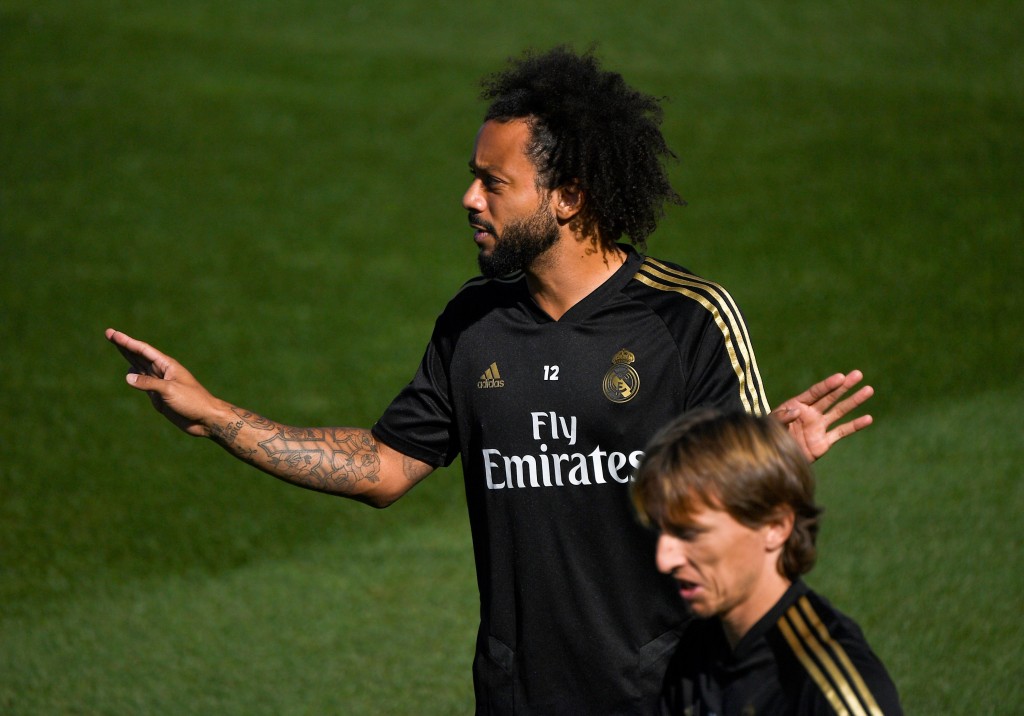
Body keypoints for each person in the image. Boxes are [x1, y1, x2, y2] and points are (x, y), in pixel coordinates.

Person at [106, 46, 874, 715]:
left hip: (665, 698)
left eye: (492, 183)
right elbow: (383, 467)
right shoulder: (474, 323)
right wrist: (218, 417)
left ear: (569, 197)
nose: (469, 199)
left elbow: (737, 519)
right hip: (514, 700)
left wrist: (770, 462)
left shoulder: (687, 320)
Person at [633, 408, 901, 715]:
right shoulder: (697, 650)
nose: (665, 560)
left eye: (692, 533)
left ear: (775, 526)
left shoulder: (827, 691)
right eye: (663, 532)